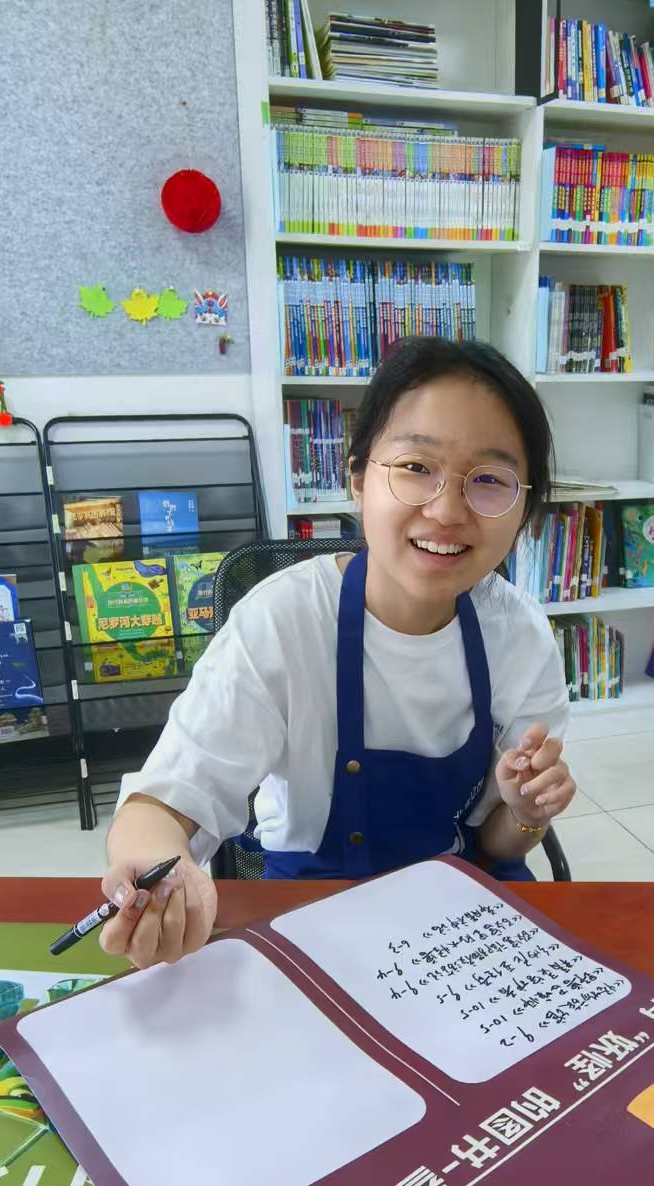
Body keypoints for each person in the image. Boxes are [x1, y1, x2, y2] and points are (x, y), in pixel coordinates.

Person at [100, 337, 578, 968]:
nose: (446, 510)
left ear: (523, 512)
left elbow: (501, 844)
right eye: (416, 467)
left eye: (489, 481)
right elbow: (172, 795)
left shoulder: (520, 637)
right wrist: (152, 861)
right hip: (313, 911)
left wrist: (524, 813)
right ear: (358, 479)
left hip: (466, 923)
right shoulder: (282, 620)